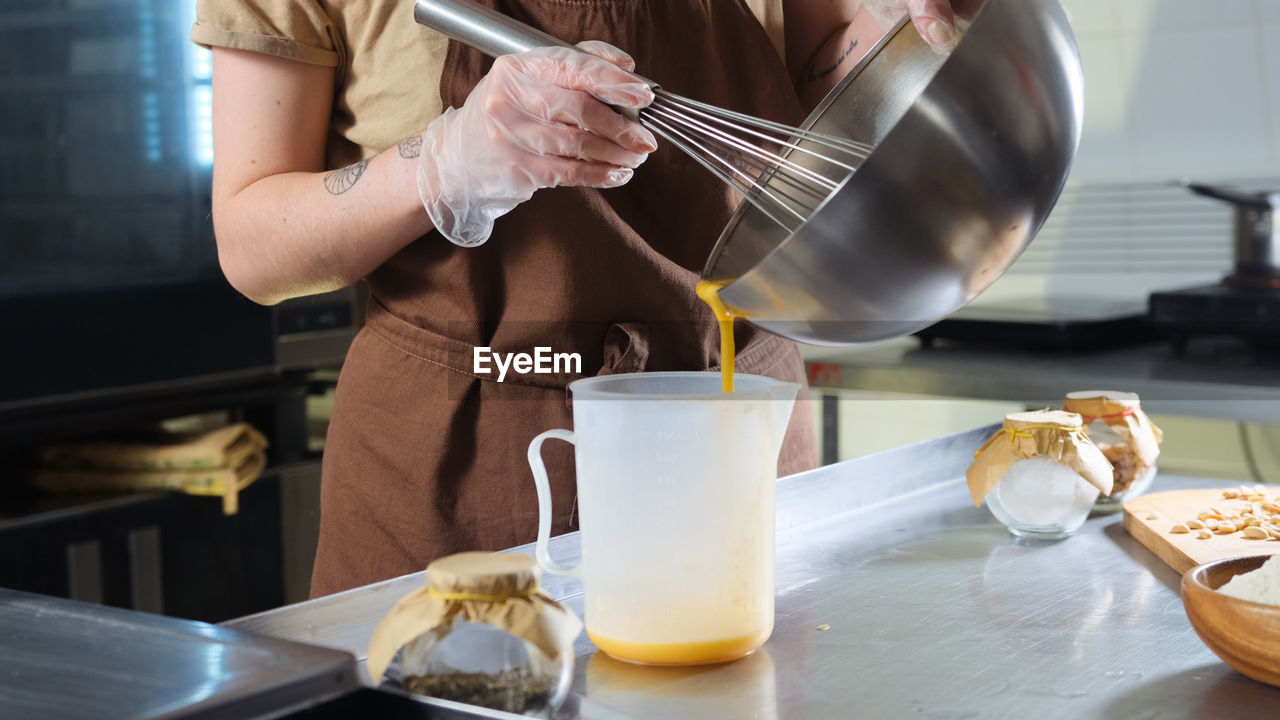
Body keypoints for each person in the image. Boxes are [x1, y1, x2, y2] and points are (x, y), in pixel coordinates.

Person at [192, 0, 960, 597]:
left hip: (731, 429)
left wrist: (895, 50)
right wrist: (438, 168)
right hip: (458, 468)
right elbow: (253, 246)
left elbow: (814, 90)